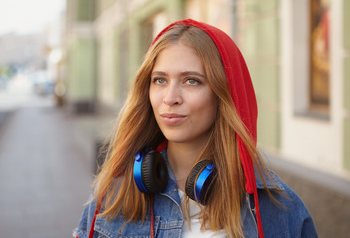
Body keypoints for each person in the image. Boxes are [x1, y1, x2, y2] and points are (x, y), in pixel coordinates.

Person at [73, 19, 317, 238]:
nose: (170, 98)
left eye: (192, 80)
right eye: (160, 80)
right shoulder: (112, 197)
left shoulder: (280, 210)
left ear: (225, 95)